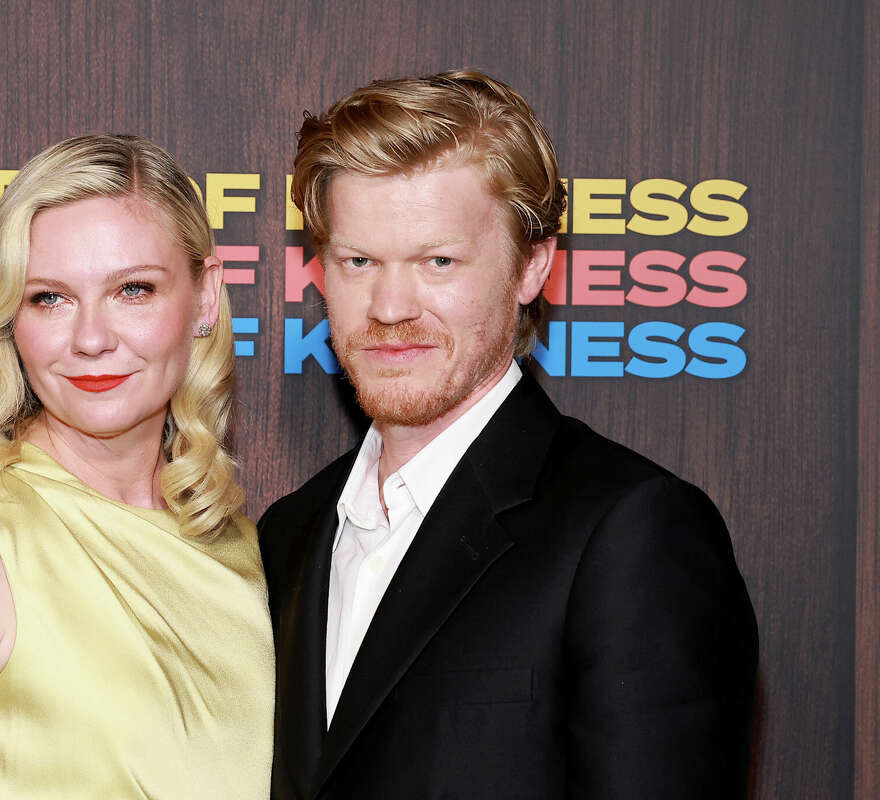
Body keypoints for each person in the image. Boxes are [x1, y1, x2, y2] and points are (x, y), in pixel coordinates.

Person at [258, 70, 757, 799]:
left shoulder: (630, 532)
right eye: (358, 261)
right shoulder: (289, 533)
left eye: (438, 262)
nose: (390, 306)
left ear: (532, 267)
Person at [0, 134, 274, 800]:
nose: (91, 338)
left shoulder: (234, 541)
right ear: (12, 318)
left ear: (205, 297)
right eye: (50, 298)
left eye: (133, 289)